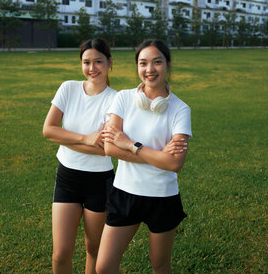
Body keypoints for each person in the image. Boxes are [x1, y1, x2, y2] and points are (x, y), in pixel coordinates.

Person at [97, 39, 192, 274]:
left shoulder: (180, 109)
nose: (149, 70)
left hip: (162, 197)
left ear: (168, 65)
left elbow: (175, 164)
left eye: (157, 62)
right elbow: (109, 148)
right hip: (125, 193)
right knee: (104, 267)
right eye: (143, 63)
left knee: (160, 266)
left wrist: (130, 145)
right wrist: (160, 157)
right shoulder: (123, 98)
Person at [42, 38, 116, 274]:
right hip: (67, 178)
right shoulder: (68, 88)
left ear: (109, 63)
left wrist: (64, 137)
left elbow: (106, 148)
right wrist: (86, 139)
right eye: (86, 62)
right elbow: (48, 130)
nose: (92, 68)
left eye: (98, 61)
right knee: (61, 253)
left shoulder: (116, 99)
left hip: (100, 181)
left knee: (94, 249)